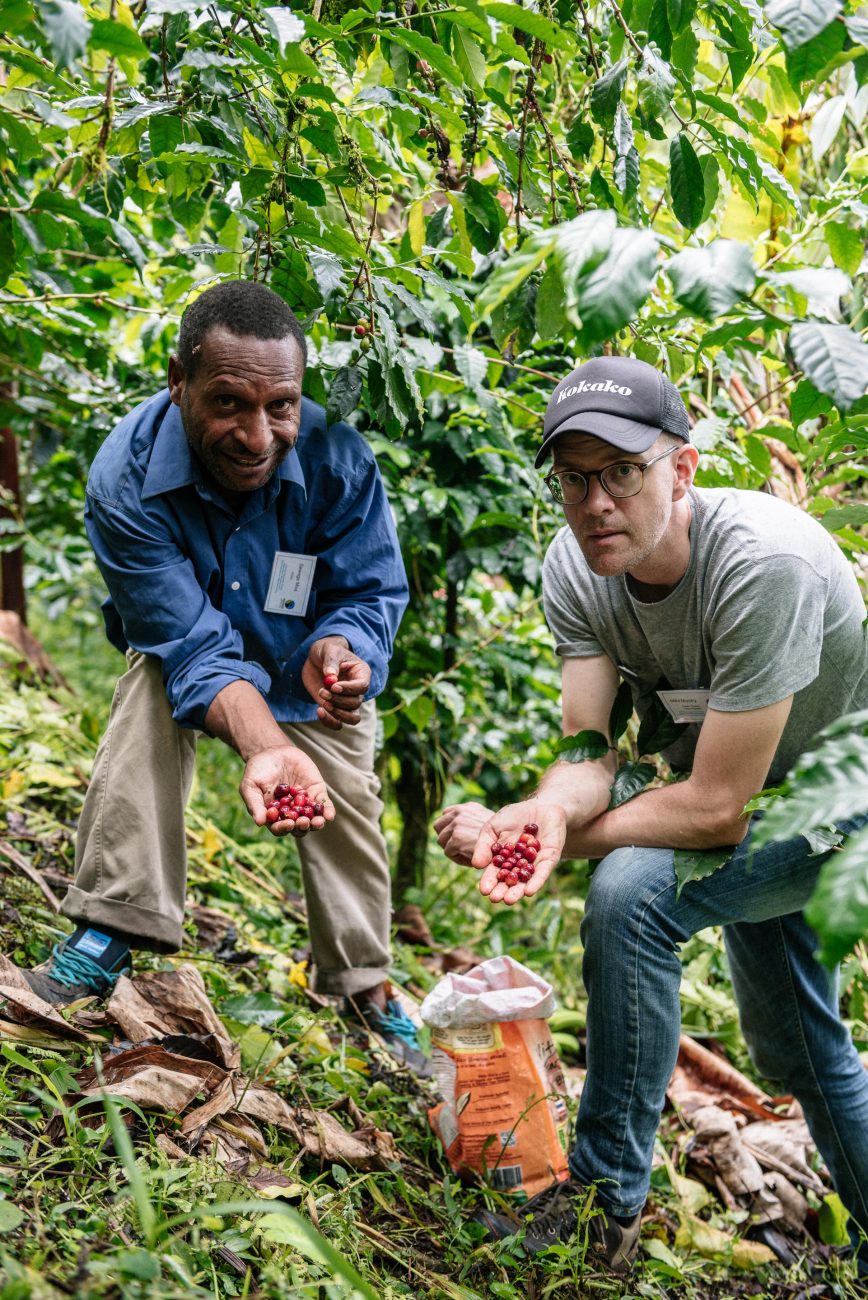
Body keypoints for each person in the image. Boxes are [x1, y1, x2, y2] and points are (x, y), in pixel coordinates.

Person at [435, 355, 868, 1272]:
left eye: (624, 472)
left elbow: (714, 812)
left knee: (631, 894)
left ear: (683, 470)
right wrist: (540, 814)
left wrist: (550, 842)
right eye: (574, 478)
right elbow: (588, 753)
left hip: (839, 802)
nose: (596, 503)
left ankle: (604, 1209)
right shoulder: (576, 566)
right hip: (751, 790)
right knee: (798, 1048)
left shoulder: (763, 564)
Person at [23, 280, 425, 1066]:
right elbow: (188, 645)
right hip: (188, 659)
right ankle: (110, 925)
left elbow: (372, 588)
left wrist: (344, 646)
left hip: (301, 664)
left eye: (281, 405)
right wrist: (264, 744)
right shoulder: (125, 477)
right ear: (179, 381)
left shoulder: (339, 458)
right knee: (146, 699)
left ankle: (365, 986)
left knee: (346, 791)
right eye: (229, 403)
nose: (258, 434)